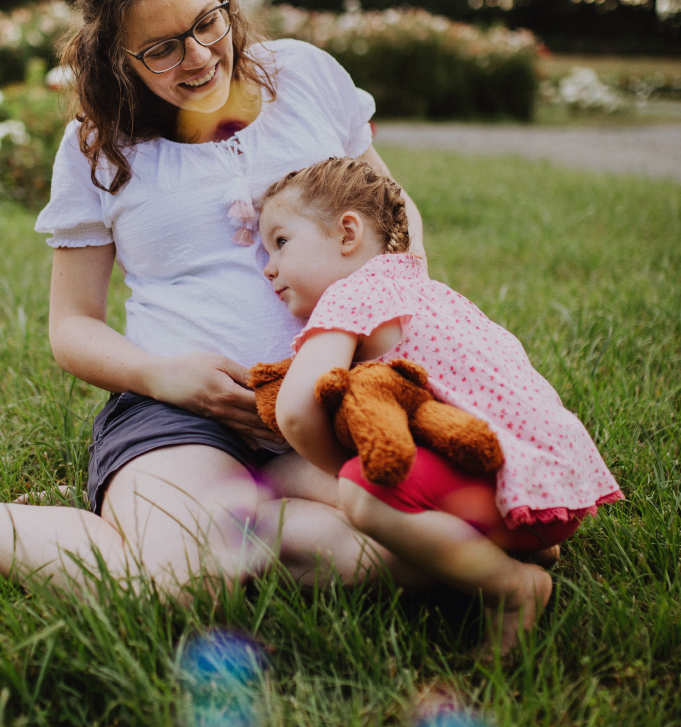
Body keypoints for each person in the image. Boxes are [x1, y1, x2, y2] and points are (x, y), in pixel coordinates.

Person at [0, 0, 428, 598]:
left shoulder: (301, 76)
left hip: (338, 400)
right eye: (162, 50)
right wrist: (163, 375)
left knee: (431, 557)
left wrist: (386, 333)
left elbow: (395, 214)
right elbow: (73, 327)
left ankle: (190, 516)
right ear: (120, 59)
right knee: (182, 586)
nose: (200, 56)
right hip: (182, 416)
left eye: (207, 23)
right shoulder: (99, 150)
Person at [257, 156, 623, 649]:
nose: (268, 268)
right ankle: (533, 552)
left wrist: (341, 472)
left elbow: (296, 412)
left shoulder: (350, 295)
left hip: (500, 495)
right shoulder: (430, 293)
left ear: (348, 234)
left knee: (363, 491)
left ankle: (511, 587)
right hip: (558, 494)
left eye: (281, 242)